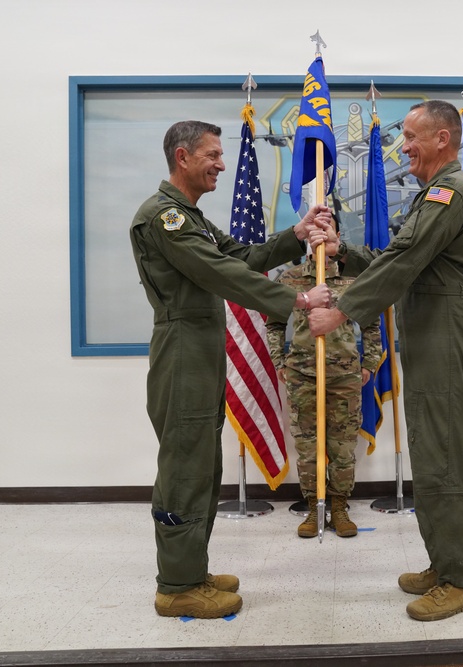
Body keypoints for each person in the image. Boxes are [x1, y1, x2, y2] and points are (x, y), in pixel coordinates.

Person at [130, 120, 337, 619]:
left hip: (200, 348)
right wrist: (298, 299)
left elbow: (243, 256)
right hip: (182, 350)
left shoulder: (189, 216)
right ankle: (176, 585)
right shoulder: (165, 218)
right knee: (184, 468)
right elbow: (221, 273)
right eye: (212, 155)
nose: (221, 164)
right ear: (183, 158)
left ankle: (191, 570)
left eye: (223, 155)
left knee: (202, 466)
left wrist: (298, 234)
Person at [308, 100, 463, 621]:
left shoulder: (451, 192)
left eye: (413, 137)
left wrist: (342, 310)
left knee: (448, 458)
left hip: (451, 336)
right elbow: (402, 258)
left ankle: (462, 579)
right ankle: (445, 564)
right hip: (434, 335)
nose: (404, 146)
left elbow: (406, 260)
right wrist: (341, 250)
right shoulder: (431, 197)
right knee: (432, 454)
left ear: (443, 139)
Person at [266, 219, 383, 539]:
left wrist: (369, 365)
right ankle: (313, 505)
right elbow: (274, 323)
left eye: (327, 227)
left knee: (343, 445)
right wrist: (280, 363)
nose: (321, 233)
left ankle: (340, 506)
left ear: (337, 236)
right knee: (307, 445)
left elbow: (372, 324)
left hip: (344, 375)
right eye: (315, 227)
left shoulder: (352, 279)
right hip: (302, 375)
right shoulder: (290, 279)